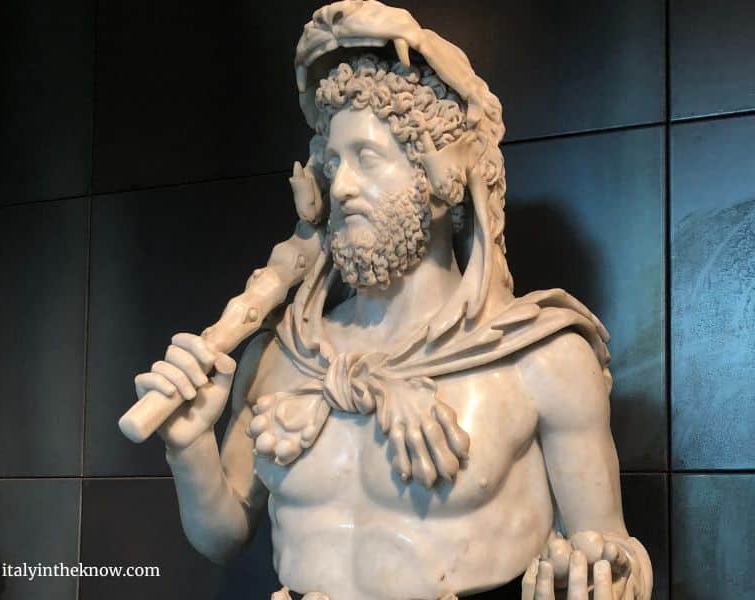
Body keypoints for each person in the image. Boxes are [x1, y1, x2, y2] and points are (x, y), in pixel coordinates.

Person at [130, 3, 652, 598]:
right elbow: (222, 535)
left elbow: (608, 554)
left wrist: (588, 577)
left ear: (442, 180)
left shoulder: (539, 358)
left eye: (368, 159)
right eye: (332, 164)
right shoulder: (283, 353)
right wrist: (189, 444)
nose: (342, 186)